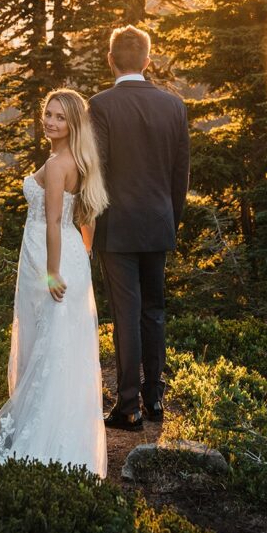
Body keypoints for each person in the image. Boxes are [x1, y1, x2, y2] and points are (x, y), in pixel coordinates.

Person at [0, 88, 109, 478]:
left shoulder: (57, 165)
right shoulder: (80, 159)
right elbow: (86, 217)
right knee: (61, 345)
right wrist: (81, 254)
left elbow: (53, 220)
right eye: (48, 114)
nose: (50, 122)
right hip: (65, 252)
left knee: (51, 345)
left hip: (49, 257)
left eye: (59, 117)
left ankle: (47, 442)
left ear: (73, 123)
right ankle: (66, 438)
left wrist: (54, 271)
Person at [89, 25, 190, 432]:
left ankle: (128, 405)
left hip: (117, 227)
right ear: (148, 61)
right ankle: (155, 399)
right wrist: (171, 218)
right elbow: (179, 174)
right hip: (158, 222)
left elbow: (98, 170)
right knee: (155, 310)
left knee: (126, 313)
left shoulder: (101, 105)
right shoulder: (174, 106)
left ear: (111, 60)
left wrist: (90, 228)